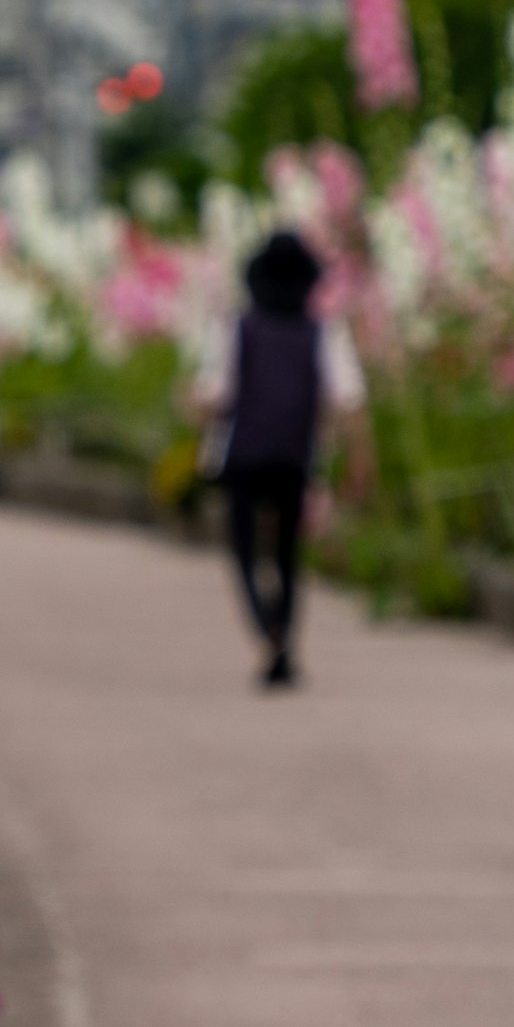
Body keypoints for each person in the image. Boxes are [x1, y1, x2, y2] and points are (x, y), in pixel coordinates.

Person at [190, 229, 363, 688]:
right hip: (295, 453)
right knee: (287, 555)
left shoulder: (236, 327)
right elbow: (346, 400)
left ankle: (268, 626)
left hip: (244, 454)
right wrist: (357, 455)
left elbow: (214, 394)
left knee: (246, 552)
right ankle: (284, 641)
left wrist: (190, 408)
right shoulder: (321, 331)